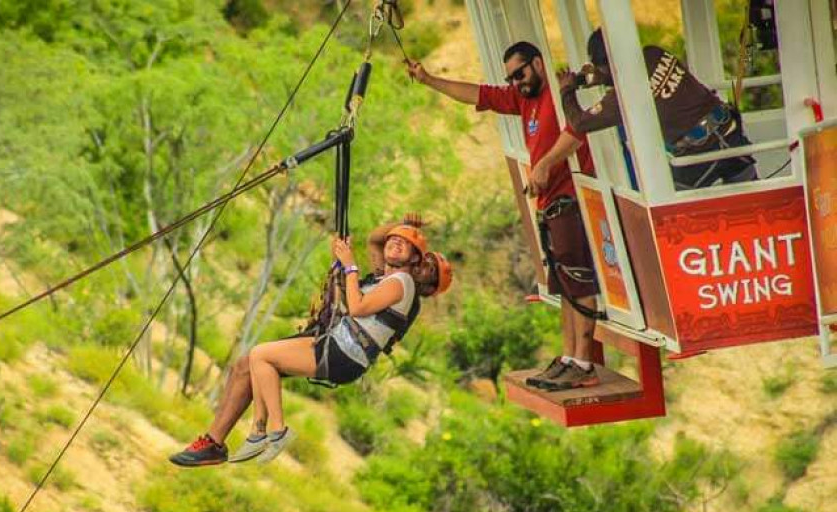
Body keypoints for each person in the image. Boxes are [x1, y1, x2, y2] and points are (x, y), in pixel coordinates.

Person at [169, 220, 452, 467]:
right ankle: (218, 442)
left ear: (422, 274)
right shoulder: (386, 276)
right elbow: (378, 239)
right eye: (427, 262)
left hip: (343, 351)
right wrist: (405, 230)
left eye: (429, 270)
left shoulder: (403, 284)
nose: (425, 269)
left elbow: (357, 306)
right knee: (247, 365)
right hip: (334, 341)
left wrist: (351, 264)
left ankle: (270, 430)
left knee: (261, 357)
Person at [406, 42, 602, 391]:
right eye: (511, 78)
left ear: (538, 64)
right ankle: (570, 356)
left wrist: (544, 164)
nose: (517, 82)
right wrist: (428, 79)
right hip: (550, 204)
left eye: (521, 73)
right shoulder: (522, 99)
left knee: (578, 279)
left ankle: (585, 362)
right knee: (564, 285)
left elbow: (578, 130)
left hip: (571, 198)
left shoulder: (559, 95)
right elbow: (475, 94)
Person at [558, 28, 758, 189]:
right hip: (730, 134)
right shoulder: (654, 52)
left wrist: (566, 90)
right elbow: (634, 75)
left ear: (607, 64)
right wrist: (599, 76)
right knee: (758, 203)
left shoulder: (624, 94)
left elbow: (580, 123)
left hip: (698, 156)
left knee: (674, 214)